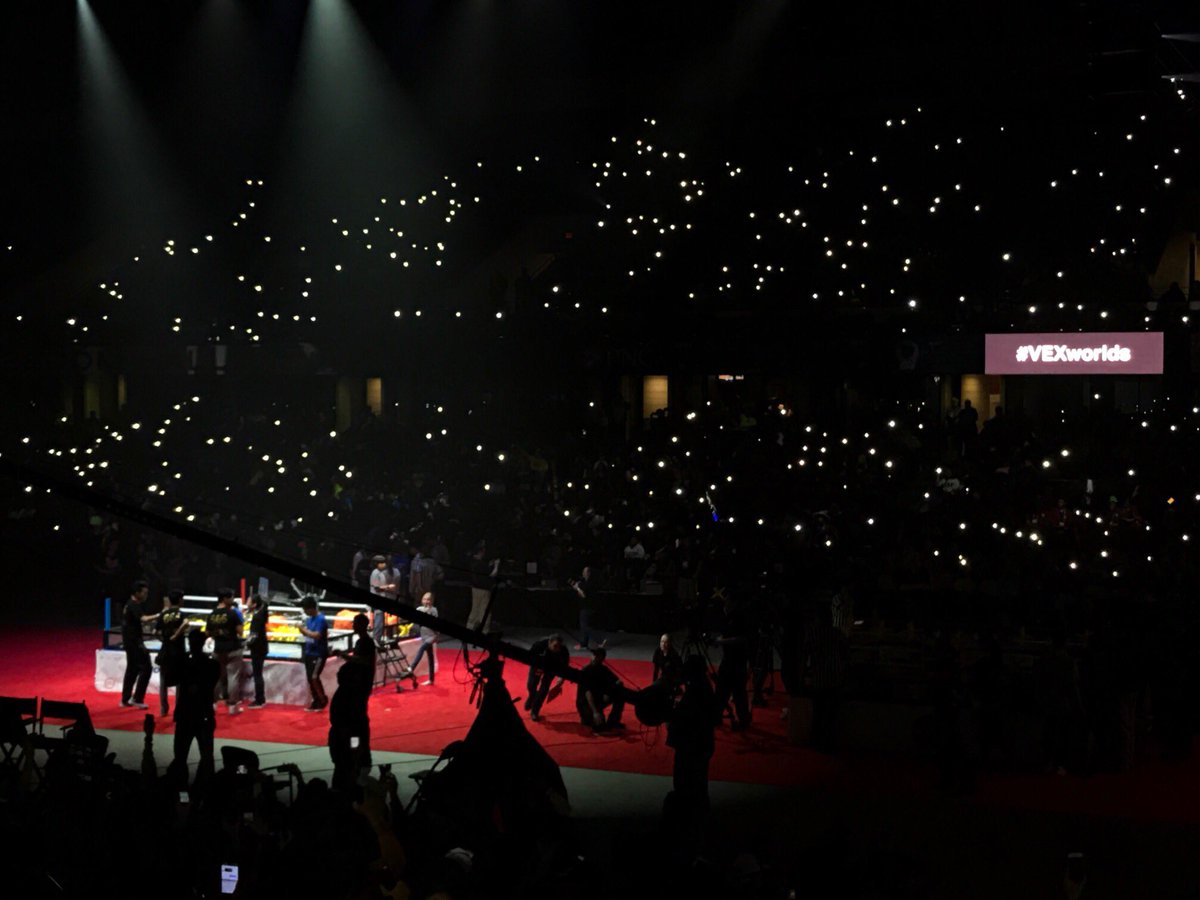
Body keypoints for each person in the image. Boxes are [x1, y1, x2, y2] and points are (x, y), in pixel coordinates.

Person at [328, 614, 375, 793]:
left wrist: (344, 657)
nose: (353, 625)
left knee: (357, 735)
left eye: (356, 623)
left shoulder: (365, 643)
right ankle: (357, 761)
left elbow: (364, 661)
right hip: (349, 732)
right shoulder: (346, 697)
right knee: (357, 733)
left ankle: (358, 762)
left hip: (348, 732)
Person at [168, 629, 220, 789]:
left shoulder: (183, 661)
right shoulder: (212, 664)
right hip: (203, 714)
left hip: (186, 713)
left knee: (181, 755)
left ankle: (181, 786)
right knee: (206, 756)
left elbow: (170, 680)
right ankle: (203, 788)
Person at [206, 588, 245, 715]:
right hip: (233, 648)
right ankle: (233, 707)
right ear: (225, 599)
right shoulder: (232, 613)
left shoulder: (212, 614)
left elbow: (207, 633)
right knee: (233, 677)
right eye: (231, 597)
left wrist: (218, 632)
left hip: (217, 649)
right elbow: (240, 632)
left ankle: (213, 704)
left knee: (216, 677)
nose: (233, 600)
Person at [121, 580, 157, 709]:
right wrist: (160, 615)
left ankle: (125, 699)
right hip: (135, 642)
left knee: (132, 669)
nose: (146, 595)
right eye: (144, 593)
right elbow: (144, 619)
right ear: (137, 593)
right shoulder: (134, 605)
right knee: (146, 668)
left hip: (129, 641)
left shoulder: (129, 604)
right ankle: (137, 698)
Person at [575, 647, 625, 733]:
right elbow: (588, 693)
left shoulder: (603, 669)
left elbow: (617, 681)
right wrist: (595, 712)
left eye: (598, 656)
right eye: (594, 655)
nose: (595, 657)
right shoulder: (586, 670)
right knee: (599, 726)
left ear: (602, 658)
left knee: (620, 695)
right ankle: (588, 718)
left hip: (598, 699)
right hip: (585, 703)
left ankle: (613, 721)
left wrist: (609, 691)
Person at [156, 589, 189, 717]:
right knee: (180, 681)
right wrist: (176, 635)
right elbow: (186, 624)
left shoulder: (163, 615)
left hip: (165, 651)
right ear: (180, 600)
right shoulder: (181, 614)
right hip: (179, 652)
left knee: (163, 681)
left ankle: (163, 708)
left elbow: (155, 632)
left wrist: (165, 640)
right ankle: (178, 709)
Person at [524, 633, 570, 722]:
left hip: (552, 667)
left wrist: (561, 677)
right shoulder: (539, 645)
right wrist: (537, 667)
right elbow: (529, 657)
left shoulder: (563, 650)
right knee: (531, 685)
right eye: (555, 646)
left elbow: (565, 666)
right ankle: (532, 696)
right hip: (538, 665)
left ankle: (535, 711)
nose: (557, 649)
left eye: (559, 647)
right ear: (549, 642)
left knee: (544, 689)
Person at [298, 596, 330, 711]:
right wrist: (303, 631)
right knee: (310, 678)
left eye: (306, 609)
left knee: (314, 677)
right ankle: (316, 700)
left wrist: (303, 630)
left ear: (311, 608)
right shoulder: (309, 619)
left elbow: (317, 635)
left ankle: (322, 699)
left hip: (318, 653)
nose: (305, 612)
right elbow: (308, 634)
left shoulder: (321, 619)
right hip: (309, 652)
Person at [406, 592, 440, 686]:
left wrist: (437, 635)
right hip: (424, 636)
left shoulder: (433, 610)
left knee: (421, 649)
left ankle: (411, 667)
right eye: (425, 599)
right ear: (422, 600)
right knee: (430, 657)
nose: (426, 601)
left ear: (432, 601)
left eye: (428, 599)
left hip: (432, 636)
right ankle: (431, 679)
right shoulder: (419, 609)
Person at [466, 543, 499, 634]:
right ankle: (484, 630)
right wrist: (496, 565)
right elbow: (492, 574)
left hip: (474, 588)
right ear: (480, 552)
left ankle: (470, 627)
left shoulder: (472, 562)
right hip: (483, 589)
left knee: (475, 609)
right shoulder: (480, 564)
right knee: (484, 610)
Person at [245, 593, 270, 708]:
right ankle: (260, 698)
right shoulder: (260, 613)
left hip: (257, 649)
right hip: (262, 647)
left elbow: (253, 635)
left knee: (257, 675)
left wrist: (245, 644)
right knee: (258, 674)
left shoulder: (257, 617)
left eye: (248, 601)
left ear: (254, 604)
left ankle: (259, 699)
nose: (246, 603)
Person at [569, 565, 602, 650]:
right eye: (583, 571)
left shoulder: (590, 583)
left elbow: (584, 595)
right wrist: (577, 588)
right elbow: (580, 594)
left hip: (588, 607)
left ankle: (599, 640)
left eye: (585, 572)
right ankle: (584, 643)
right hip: (586, 606)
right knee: (585, 625)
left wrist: (577, 589)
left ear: (588, 573)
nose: (583, 573)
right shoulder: (584, 582)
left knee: (584, 626)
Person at [368, 554, 399, 642]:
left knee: (383, 621)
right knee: (378, 622)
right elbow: (377, 588)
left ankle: (382, 639)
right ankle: (376, 641)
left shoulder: (380, 573)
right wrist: (389, 587)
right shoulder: (375, 573)